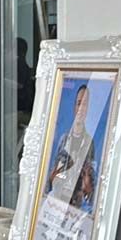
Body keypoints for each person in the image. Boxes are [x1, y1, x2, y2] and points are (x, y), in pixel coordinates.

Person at [45, 84, 97, 213]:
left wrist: (87, 185)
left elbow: (90, 190)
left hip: (76, 208)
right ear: (74, 107)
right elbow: (51, 178)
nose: (81, 109)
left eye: (85, 105)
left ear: (88, 110)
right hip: (57, 203)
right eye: (79, 103)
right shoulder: (63, 139)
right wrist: (53, 178)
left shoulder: (89, 143)